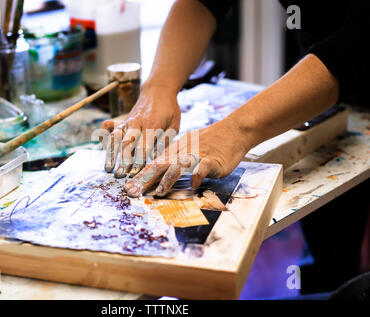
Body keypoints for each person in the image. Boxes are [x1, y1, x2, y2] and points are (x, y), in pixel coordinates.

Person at [100, 0, 369, 293]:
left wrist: (233, 132)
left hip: (348, 62)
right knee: (332, 248)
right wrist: (159, 88)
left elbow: (357, 43)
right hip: (324, 68)